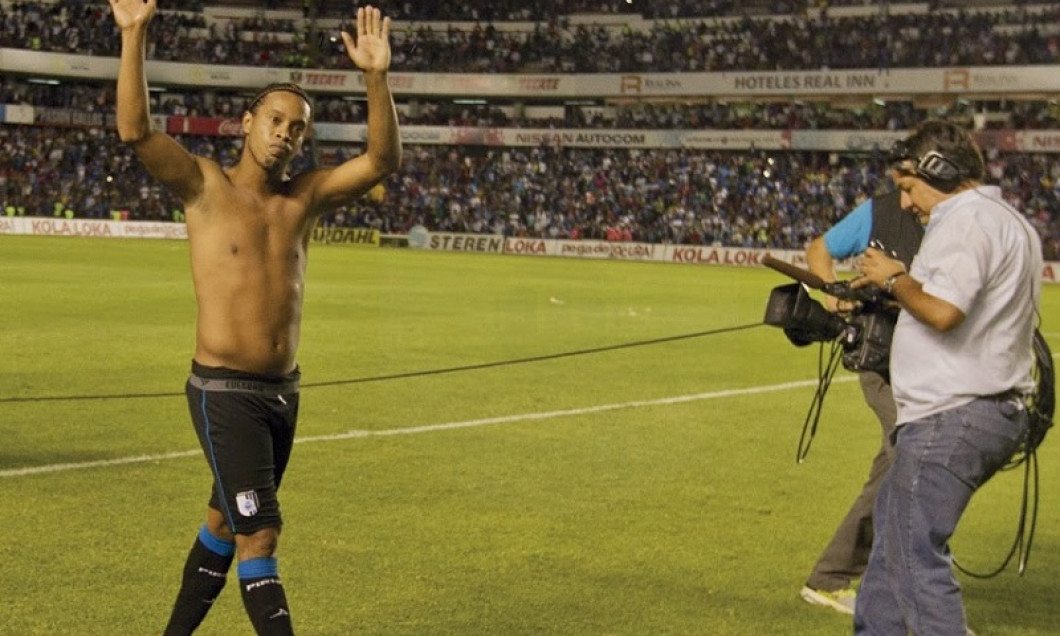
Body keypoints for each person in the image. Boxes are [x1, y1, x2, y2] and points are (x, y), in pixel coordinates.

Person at [108, 1, 401, 634]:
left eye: (297, 129)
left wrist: (376, 77)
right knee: (260, 534)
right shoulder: (204, 187)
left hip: (281, 395)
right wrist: (134, 36)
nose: (285, 134)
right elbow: (135, 132)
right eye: (275, 120)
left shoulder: (306, 198)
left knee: (224, 522)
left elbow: (381, 162)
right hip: (224, 392)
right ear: (247, 123)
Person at [851, 119, 1041, 635]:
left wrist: (893, 279)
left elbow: (943, 312)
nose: (907, 203)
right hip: (971, 410)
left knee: (914, 553)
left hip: (953, 414)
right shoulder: (1007, 220)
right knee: (894, 543)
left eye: (909, 188)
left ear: (940, 169)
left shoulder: (968, 220)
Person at [799, 185, 923, 615]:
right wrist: (831, 289)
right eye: (903, 182)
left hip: (927, 366)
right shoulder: (879, 211)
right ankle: (913, 584)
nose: (907, 196)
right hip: (881, 357)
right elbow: (821, 247)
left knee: (892, 468)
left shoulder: (948, 219)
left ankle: (831, 576)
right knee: (913, 457)